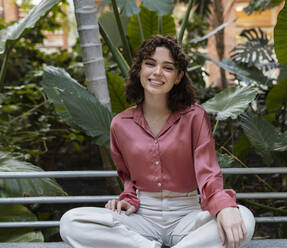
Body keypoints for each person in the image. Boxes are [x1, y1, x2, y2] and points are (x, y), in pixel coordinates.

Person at [60, 34, 255, 248]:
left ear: (179, 76)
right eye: (150, 64)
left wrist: (224, 207)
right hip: (142, 219)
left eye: (168, 67)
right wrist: (127, 199)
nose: (157, 72)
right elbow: (128, 179)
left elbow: (208, 173)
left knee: (243, 218)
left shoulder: (194, 117)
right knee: (71, 222)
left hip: (187, 217)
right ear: (140, 70)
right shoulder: (120, 124)